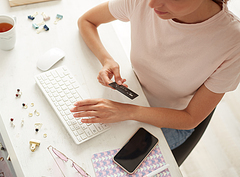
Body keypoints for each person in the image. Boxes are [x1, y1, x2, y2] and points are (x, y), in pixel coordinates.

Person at [73, 0, 240, 150]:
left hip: (170, 120)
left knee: (109, 163)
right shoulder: (143, 2)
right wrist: (107, 60)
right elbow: (86, 21)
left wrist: (126, 112)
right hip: (132, 96)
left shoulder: (233, 43)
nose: (152, 5)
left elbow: (191, 118)